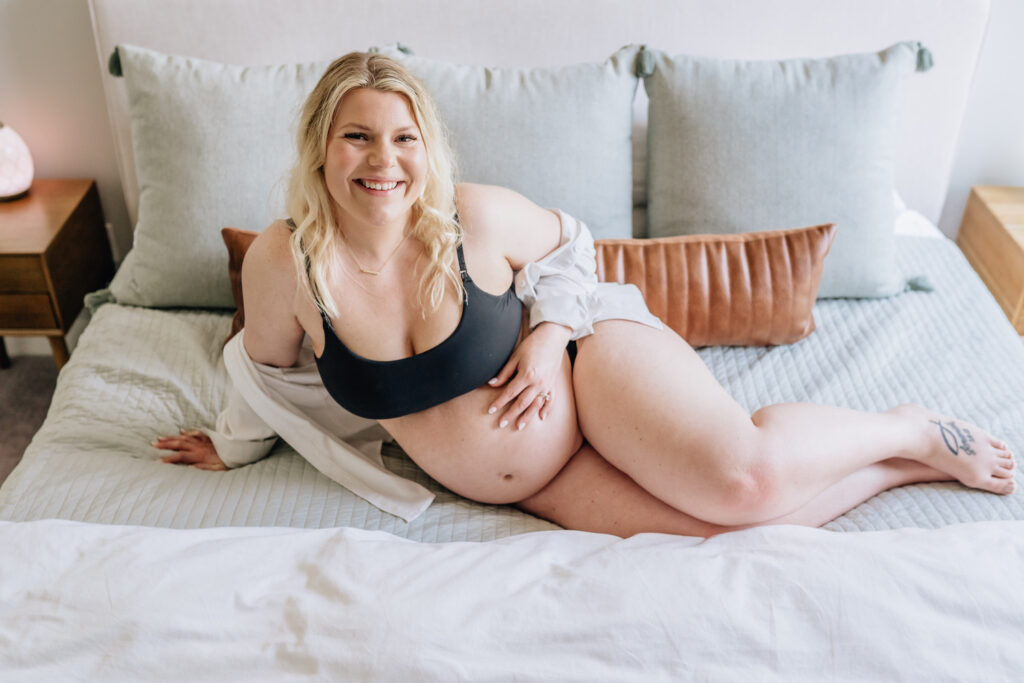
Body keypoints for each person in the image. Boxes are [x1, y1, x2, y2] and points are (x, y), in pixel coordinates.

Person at [155, 52, 1015, 537]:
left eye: (404, 138)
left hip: (590, 364)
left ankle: (902, 423)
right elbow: (265, 372)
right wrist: (232, 448)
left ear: (426, 148)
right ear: (319, 148)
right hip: (532, 482)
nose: (384, 162)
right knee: (732, 534)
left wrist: (542, 334)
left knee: (745, 482)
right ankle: (907, 462)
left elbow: (574, 242)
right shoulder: (285, 265)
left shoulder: (474, 218)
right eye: (358, 137)